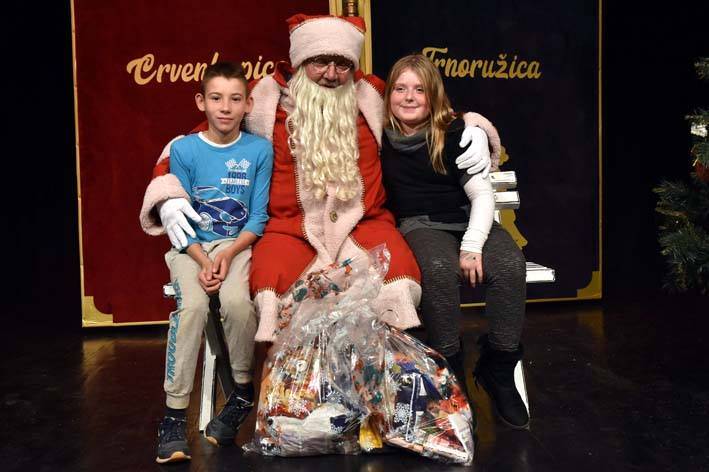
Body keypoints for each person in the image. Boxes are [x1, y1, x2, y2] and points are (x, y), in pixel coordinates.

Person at [139, 14, 502, 346]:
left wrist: (473, 127)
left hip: (365, 225)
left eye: (341, 64)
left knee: (397, 278)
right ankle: (294, 389)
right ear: (300, 63)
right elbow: (199, 140)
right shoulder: (264, 97)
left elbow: (429, 112)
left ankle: (376, 383)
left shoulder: (371, 93)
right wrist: (168, 194)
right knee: (271, 282)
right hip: (289, 229)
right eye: (319, 62)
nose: (331, 74)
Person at [380, 54, 529, 429]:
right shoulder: (378, 135)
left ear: (433, 96)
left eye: (419, 90)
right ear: (388, 94)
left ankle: (499, 366)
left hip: (467, 220)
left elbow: (482, 195)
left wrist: (473, 245)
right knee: (437, 270)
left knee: (510, 265)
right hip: (419, 224)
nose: (409, 97)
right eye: (400, 88)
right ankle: (449, 371)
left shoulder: (455, 133)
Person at [155, 62, 274, 464]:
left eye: (235, 99)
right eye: (217, 98)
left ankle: (241, 391)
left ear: (248, 105)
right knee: (192, 307)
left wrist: (226, 254)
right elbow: (178, 214)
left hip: (236, 246)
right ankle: (174, 415)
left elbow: (257, 217)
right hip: (190, 247)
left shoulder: (259, 150)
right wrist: (201, 258)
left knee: (238, 304)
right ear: (201, 102)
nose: (225, 107)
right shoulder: (184, 149)